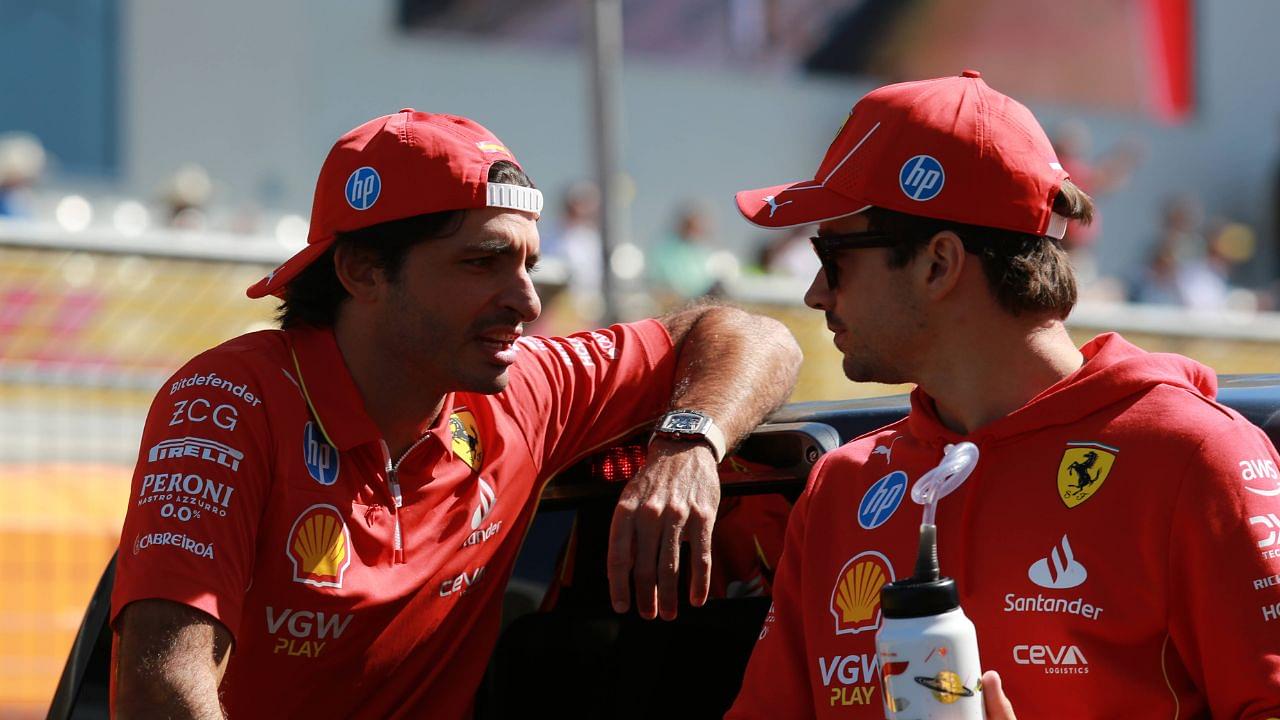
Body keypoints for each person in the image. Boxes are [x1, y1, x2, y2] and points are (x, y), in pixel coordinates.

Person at [109, 109, 802, 718]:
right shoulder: (228, 401)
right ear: (362, 271)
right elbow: (161, 690)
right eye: (483, 263)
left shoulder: (526, 389)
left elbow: (760, 339)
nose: (527, 302)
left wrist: (689, 444)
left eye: (528, 263)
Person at [726, 71, 1280, 718]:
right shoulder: (840, 488)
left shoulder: (1193, 458)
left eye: (835, 254)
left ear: (939, 263)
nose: (816, 293)